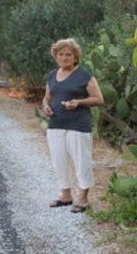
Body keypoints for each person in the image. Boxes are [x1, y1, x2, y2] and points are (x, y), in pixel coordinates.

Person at [42, 38, 104, 213]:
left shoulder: (85, 75)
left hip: (78, 125)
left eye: (68, 54)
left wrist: (78, 102)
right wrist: (46, 106)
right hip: (55, 125)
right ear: (56, 57)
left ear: (75, 56)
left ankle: (83, 199)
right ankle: (66, 196)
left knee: (81, 162)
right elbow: (47, 97)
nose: (64, 57)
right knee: (59, 161)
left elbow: (99, 99)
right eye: (60, 54)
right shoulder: (52, 75)